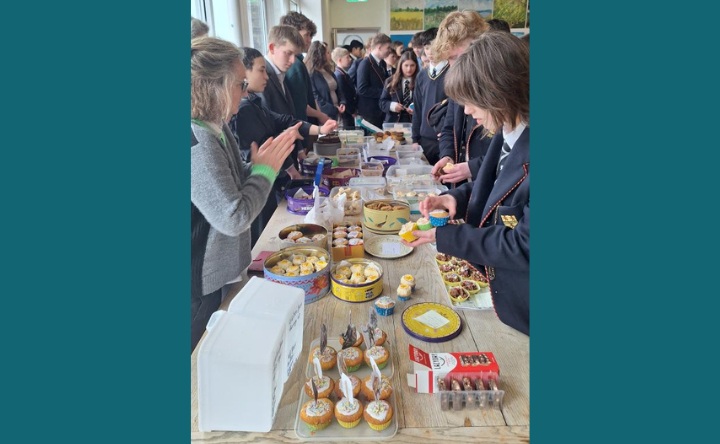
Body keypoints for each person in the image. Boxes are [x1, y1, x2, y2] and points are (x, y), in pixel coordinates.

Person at [402, 32, 530, 336]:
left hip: (521, 306)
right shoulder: (505, 130)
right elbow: (498, 186)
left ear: (498, 93)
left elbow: (524, 245)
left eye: (471, 103)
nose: (467, 112)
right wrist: (456, 198)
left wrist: (446, 237)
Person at [191, 37, 298, 351]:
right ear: (215, 87)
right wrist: (264, 171)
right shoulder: (198, 142)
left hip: (226, 268)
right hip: (203, 281)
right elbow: (233, 216)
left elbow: (233, 183)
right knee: (200, 356)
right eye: (240, 83)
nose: (246, 89)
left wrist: (258, 167)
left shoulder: (217, 126)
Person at [230, 47, 337, 246]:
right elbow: (263, 145)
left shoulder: (253, 102)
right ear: (244, 71)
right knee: (263, 239)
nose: (266, 76)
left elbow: (284, 120)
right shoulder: (244, 110)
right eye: (261, 70)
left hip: (268, 183)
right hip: (259, 188)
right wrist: (289, 167)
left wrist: (319, 129)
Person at [431, 10, 493, 186]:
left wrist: (473, 167)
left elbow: (509, 150)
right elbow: (449, 127)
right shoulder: (459, 81)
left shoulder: (497, 87)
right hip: (463, 186)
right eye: (449, 60)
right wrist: (447, 156)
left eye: (458, 57)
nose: (453, 66)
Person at [279, 12, 329, 127]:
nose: (309, 40)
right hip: (302, 127)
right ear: (293, 33)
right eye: (307, 35)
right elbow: (301, 106)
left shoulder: (299, 61)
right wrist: (320, 116)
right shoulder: (295, 65)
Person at [411, 27, 447, 165]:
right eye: (426, 47)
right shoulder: (422, 75)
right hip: (425, 138)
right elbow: (418, 108)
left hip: (444, 138)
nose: (430, 51)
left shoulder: (452, 73)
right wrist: (415, 138)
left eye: (434, 46)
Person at [355, 32, 393, 129]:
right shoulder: (365, 64)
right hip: (369, 112)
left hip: (379, 110)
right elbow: (362, 89)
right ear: (379, 47)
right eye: (388, 48)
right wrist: (384, 92)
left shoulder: (382, 63)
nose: (390, 50)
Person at [306, 41, 344, 121]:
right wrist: (334, 109)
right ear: (320, 55)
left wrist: (342, 103)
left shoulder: (328, 70)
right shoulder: (312, 74)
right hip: (325, 115)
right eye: (327, 53)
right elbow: (316, 97)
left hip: (337, 111)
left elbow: (338, 89)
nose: (330, 55)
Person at [379, 50, 418, 123]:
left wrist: (417, 107)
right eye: (406, 65)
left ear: (416, 65)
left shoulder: (420, 81)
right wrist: (392, 106)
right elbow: (382, 102)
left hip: (414, 122)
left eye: (412, 65)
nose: (409, 69)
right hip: (394, 122)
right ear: (401, 65)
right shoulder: (390, 81)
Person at [332, 46, 358, 129]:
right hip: (347, 112)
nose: (350, 59)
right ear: (339, 60)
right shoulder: (339, 75)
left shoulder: (344, 74)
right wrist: (352, 111)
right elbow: (344, 95)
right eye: (347, 57)